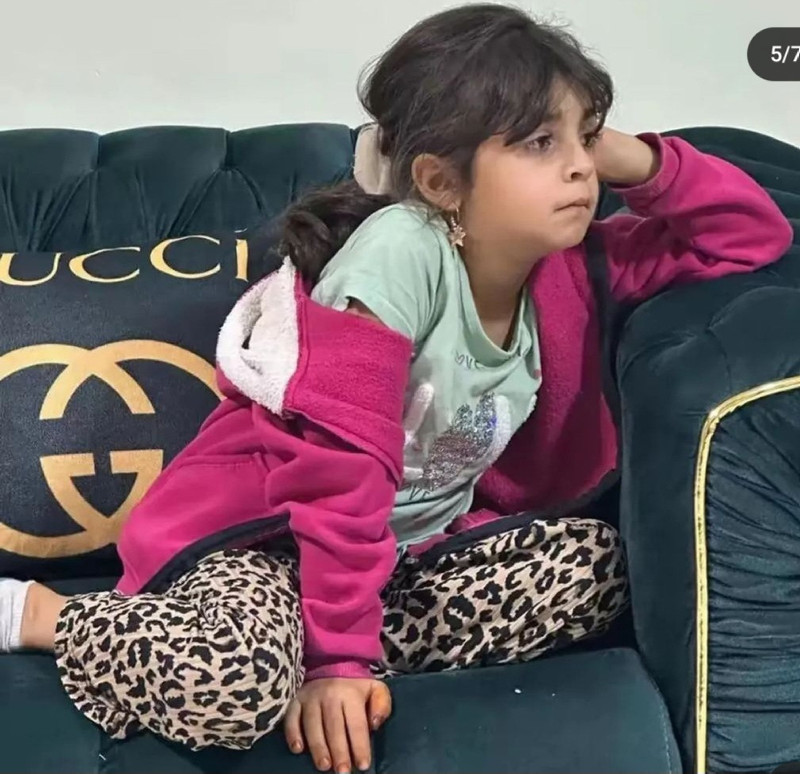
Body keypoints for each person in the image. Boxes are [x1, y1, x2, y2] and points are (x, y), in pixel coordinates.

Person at [0, 3, 793, 773]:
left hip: (405, 555)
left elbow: (750, 235)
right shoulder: (398, 256)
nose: (581, 166)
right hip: (267, 541)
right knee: (233, 688)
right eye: (539, 142)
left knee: (597, 567)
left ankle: (287, 646)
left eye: (584, 135)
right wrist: (338, 664)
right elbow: (337, 472)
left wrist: (633, 156)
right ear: (441, 182)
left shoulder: (575, 264)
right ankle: (45, 616)